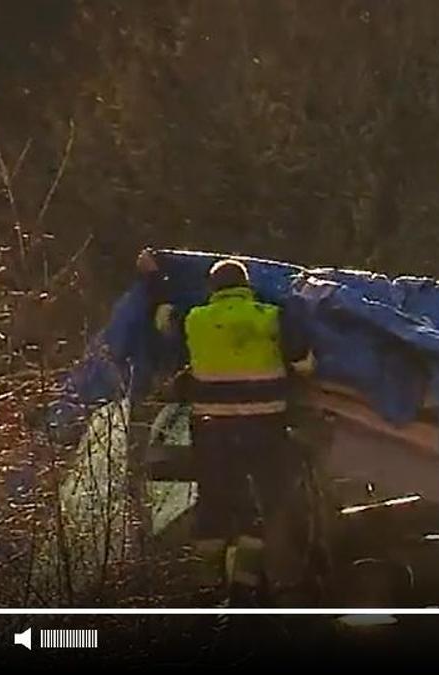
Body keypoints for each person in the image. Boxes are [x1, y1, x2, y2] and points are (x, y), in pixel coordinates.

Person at [143, 253, 313, 606]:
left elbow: (161, 317)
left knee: (215, 501)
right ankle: (246, 586)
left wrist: (154, 277)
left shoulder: (195, 319)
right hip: (265, 425)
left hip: (212, 428)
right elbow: (305, 364)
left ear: (212, 289)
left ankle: (207, 587)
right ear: (247, 287)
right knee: (265, 500)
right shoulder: (272, 317)